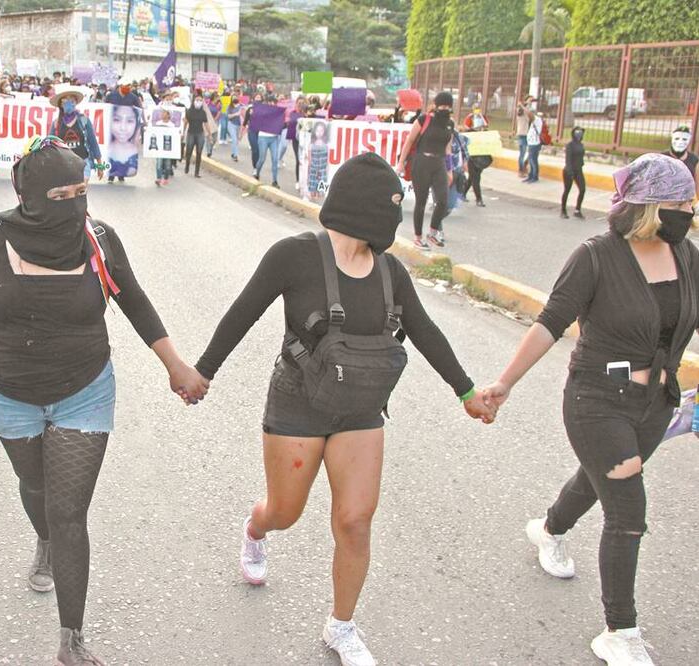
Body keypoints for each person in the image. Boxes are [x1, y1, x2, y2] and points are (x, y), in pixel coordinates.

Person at [0, 137, 206, 665]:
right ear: (31, 195)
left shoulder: (98, 240)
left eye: (82, 190)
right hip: (11, 393)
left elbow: (136, 301)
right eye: (63, 193)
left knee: (69, 510)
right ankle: (46, 541)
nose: (76, 202)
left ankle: (71, 640)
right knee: (35, 486)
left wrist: (175, 365)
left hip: (85, 388)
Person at [194, 152, 495, 666]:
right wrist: (203, 373)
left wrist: (467, 393)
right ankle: (256, 528)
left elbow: (424, 331)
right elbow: (242, 312)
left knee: (355, 522)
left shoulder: (389, 270)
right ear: (368, 211)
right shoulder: (293, 256)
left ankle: (342, 625)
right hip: (298, 403)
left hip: (361, 409)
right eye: (391, 210)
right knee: (284, 512)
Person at [484, 153, 698, 666]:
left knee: (599, 479)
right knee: (628, 510)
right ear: (647, 206)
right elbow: (550, 321)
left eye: (690, 203)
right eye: (679, 203)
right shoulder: (597, 256)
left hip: (655, 402)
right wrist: (504, 383)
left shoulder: (686, 254)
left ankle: (551, 529)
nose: (688, 212)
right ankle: (619, 631)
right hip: (596, 399)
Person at [398, 92, 455, 249]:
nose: (445, 108)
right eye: (442, 105)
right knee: (421, 202)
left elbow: (448, 148)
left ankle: (433, 231)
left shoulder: (450, 124)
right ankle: (418, 236)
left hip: (439, 163)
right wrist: (401, 162)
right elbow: (409, 141)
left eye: (448, 106)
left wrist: (449, 170)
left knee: (443, 201)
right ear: (436, 105)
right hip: (422, 162)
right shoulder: (424, 120)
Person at [47, 85, 104, 181]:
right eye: (65, 100)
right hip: (63, 165)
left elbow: (93, 143)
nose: (69, 103)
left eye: (72, 100)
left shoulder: (84, 120)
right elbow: (49, 145)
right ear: (61, 104)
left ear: (76, 102)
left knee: (80, 189)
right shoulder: (56, 123)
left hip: (83, 163)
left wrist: (100, 166)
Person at [462, 114, 491, 208]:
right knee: (476, 179)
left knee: (472, 178)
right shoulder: (470, 133)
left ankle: (462, 193)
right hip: (472, 158)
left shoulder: (485, 134)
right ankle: (479, 199)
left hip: (481, 159)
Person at [254, 95, 283, 187]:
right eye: (270, 102)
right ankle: (257, 173)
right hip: (263, 137)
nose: (272, 104)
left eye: (273, 103)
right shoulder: (263, 111)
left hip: (274, 138)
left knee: (275, 159)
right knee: (262, 158)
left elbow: (281, 124)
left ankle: (275, 181)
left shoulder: (278, 112)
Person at [108, 104, 141, 181]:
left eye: (129, 121)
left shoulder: (133, 150)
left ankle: (120, 177)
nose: (123, 128)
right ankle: (111, 177)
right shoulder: (103, 148)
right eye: (116, 120)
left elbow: (132, 169)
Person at [664, 125, 699, 195]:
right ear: (672, 139)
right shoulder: (662, 157)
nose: (680, 142)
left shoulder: (694, 160)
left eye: (684, 139)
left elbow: (697, 183)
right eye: (677, 138)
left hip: (686, 200)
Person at [561, 127, 586, 219]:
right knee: (567, 191)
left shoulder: (581, 145)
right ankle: (563, 210)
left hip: (579, 170)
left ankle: (577, 210)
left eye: (581, 134)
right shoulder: (570, 145)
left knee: (582, 189)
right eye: (577, 134)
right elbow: (568, 160)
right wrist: (570, 172)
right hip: (569, 171)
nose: (579, 136)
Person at [183, 95, 210, 178]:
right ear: (193, 101)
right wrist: (183, 132)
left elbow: (206, 123)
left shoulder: (203, 112)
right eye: (197, 100)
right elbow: (186, 122)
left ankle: (196, 172)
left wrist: (209, 134)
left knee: (199, 152)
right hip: (191, 133)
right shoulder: (189, 111)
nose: (198, 102)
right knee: (189, 151)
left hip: (200, 133)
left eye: (200, 100)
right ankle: (187, 165)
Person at [306, 120, 330, 203]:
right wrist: (309, 171)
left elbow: (328, 159)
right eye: (317, 130)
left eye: (321, 131)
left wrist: (326, 168)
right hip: (313, 169)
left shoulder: (327, 145)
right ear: (314, 131)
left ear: (324, 132)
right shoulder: (311, 145)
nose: (319, 133)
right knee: (313, 188)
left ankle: (320, 201)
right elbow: (309, 159)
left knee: (322, 191)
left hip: (323, 170)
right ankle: (313, 199)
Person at [524, 104, 546, 184]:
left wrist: (523, 106)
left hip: (535, 143)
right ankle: (530, 176)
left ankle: (534, 176)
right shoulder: (534, 121)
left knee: (533, 161)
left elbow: (529, 114)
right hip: (531, 143)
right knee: (531, 160)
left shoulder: (537, 120)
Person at [516, 96, 533, 178]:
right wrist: (523, 105)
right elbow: (526, 111)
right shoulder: (521, 111)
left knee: (531, 152)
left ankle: (524, 167)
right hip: (522, 135)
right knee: (522, 153)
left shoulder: (527, 111)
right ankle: (520, 170)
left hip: (528, 135)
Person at [227, 96, 243, 162]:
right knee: (234, 139)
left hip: (239, 126)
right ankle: (236, 155)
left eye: (236, 97)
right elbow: (228, 116)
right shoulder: (230, 107)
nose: (235, 99)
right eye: (233, 98)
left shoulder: (241, 106)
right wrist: (236, 114)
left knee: (237, 141)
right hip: (231, 124)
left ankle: (233, 153)